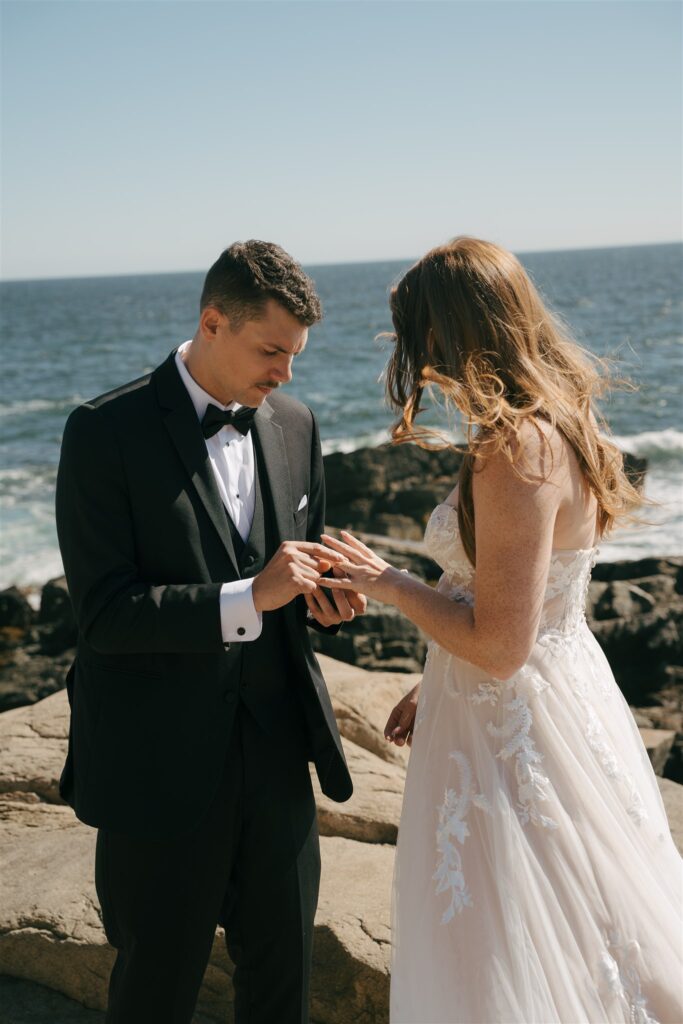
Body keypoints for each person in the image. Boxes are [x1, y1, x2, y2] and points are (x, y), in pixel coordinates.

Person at [321, 237, 683, 1023]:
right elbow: (521, 602)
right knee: (578, 927)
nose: (417, 367)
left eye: (419, 342)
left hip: (513, 725)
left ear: (449, 335)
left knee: (512, 943)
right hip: (541, 692)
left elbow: (499, 642)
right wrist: (435, 673)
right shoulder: (564, 421)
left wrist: (389, 583)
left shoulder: (515, 449)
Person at [55, 240, 366, 1024]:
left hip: (277, 763)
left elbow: (292, 583)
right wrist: (246, 595)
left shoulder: (296, 426)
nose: (285, 374)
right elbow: (102, 616)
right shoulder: (102, 432)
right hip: (158, 775)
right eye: (271, 351)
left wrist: (319, 604)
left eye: (295, 354)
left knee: (281, 989)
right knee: (154, 994)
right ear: (212, 321)